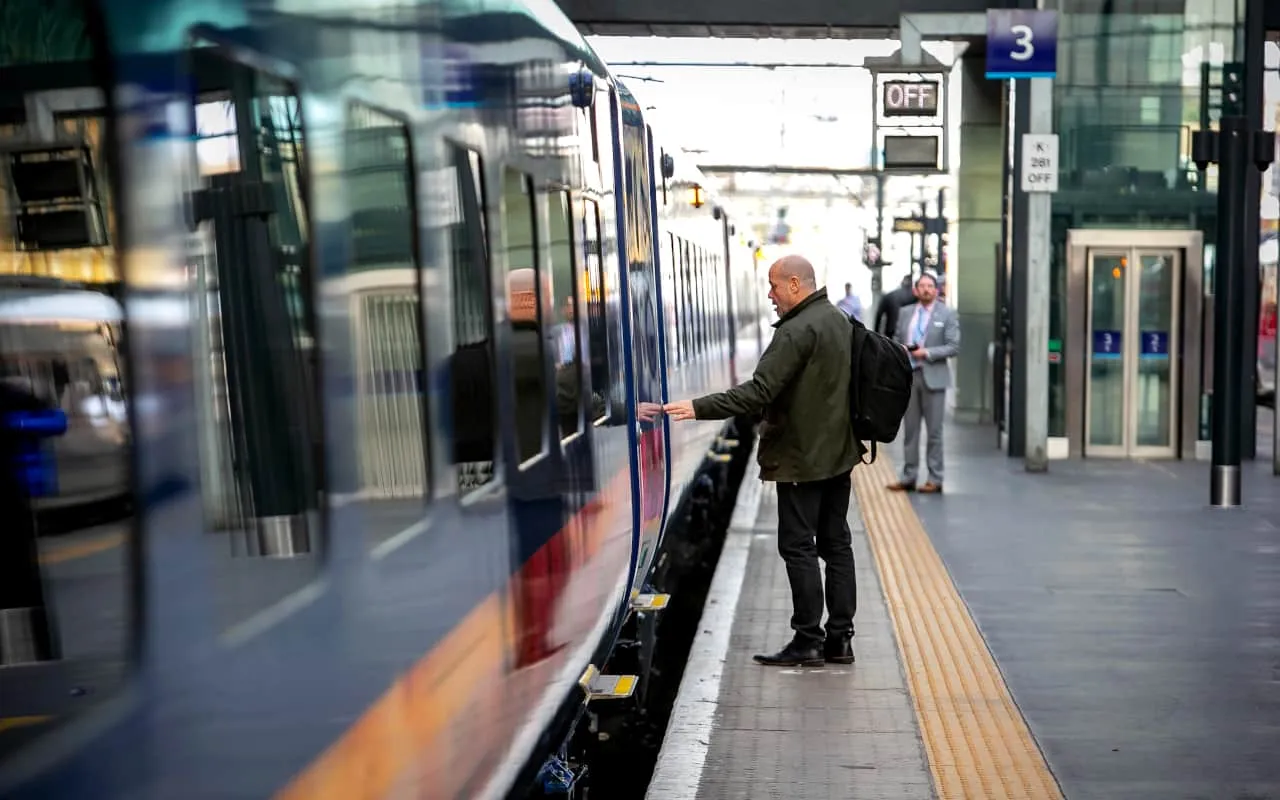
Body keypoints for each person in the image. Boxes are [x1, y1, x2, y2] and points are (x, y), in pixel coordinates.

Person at [663, 254, 861, 668]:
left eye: (773, 286)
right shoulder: (838, 320)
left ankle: (808, 639)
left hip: (800, 457)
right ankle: (840, 640)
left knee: (798, 546)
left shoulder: (795, 330)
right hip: (839, 453)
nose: (769, 296)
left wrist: (695, 408)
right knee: (837, 544)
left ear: (794, 284)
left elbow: (757, 393)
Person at [887, 271, 959, 494]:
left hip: (933, 378)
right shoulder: (906, 313)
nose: (926, 289)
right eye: (922, 286)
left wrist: (926, 352)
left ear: (936, 290)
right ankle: (908, 477)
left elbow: (953, 346)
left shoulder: (947, 314)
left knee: (935, 433)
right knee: (910, 431)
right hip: (910, 377)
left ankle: (935, 479)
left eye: (930, 286)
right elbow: (897, 339)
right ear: (916, 290)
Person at [873, 274, 916, 339]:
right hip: (907, 332)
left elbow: (878, 315)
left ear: (902, 282)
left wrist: (876, 334)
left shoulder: (888, 296)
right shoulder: (914, 297)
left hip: (890, 332)